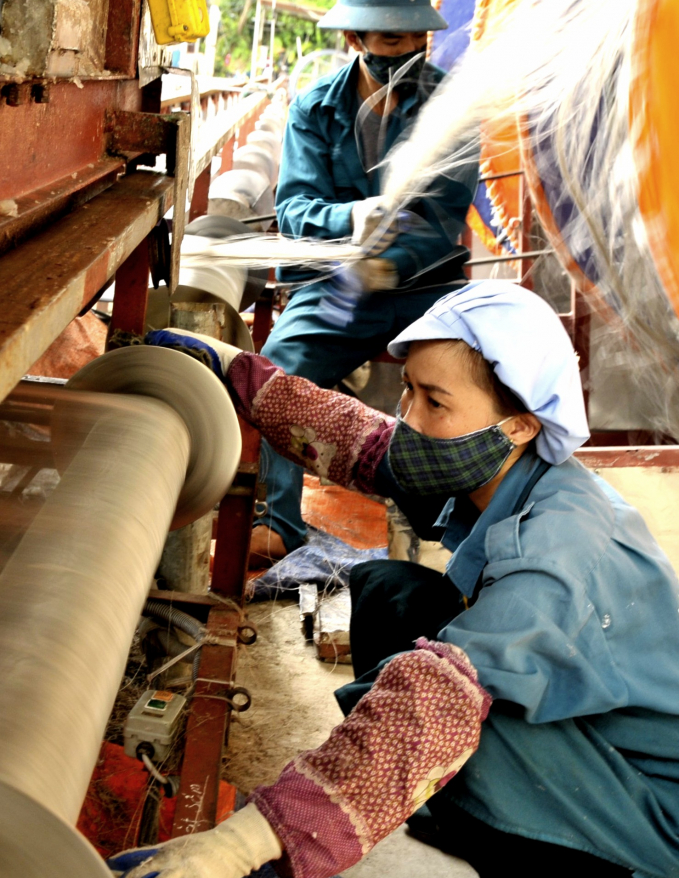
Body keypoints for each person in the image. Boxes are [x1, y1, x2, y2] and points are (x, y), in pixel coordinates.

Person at [112, 281, 679, 877]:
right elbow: (367, 443)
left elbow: (431, 709)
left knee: (448, 729)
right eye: (409, 390)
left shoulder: (558, 556)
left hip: (645, 799)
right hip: (584, 725)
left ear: (520, 424)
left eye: (435, 402)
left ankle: (549, 853)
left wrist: (248, 843)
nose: (409, 416)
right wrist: (236, 373)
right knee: (391, 594)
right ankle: (464, 809)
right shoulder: (498, 460)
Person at [249, 0, 479, 567]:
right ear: (356, 38)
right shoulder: (313, 109)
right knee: (278, 372)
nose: (403, 51)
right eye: (389, 41)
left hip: (426, 286)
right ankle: (279, 522)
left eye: (412, 39)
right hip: (334, 287)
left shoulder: (453, 110)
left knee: (470, 378)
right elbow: (296, 210)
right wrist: (355, 220)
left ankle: (452, 529)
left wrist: (387, 264)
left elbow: (442, 217)